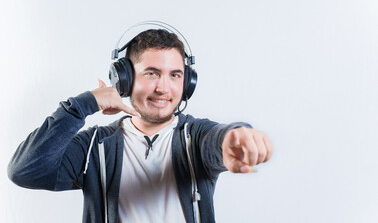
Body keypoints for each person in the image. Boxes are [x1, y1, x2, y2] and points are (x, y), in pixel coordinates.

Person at [8, 27, 273, 223]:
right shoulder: (94, 147)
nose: (163, 87)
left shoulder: (196, 136)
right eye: (151, 73)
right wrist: (83, 104)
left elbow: (219, 140)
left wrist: (235, 138)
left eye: (175, 75)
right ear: (123, 80)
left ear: (187, 83)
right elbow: (25, 170)